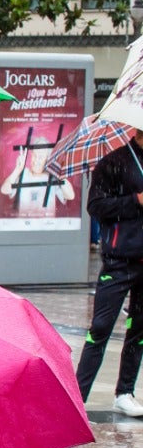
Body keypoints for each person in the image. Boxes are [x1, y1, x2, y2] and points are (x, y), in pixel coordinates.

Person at [75, 126, 143, 417]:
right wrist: (134, 201)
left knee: (138, 330)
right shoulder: (113, 162)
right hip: (118, 261)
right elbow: (95, 205)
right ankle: (79, 395)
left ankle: (125, 392)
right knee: (100, 328)